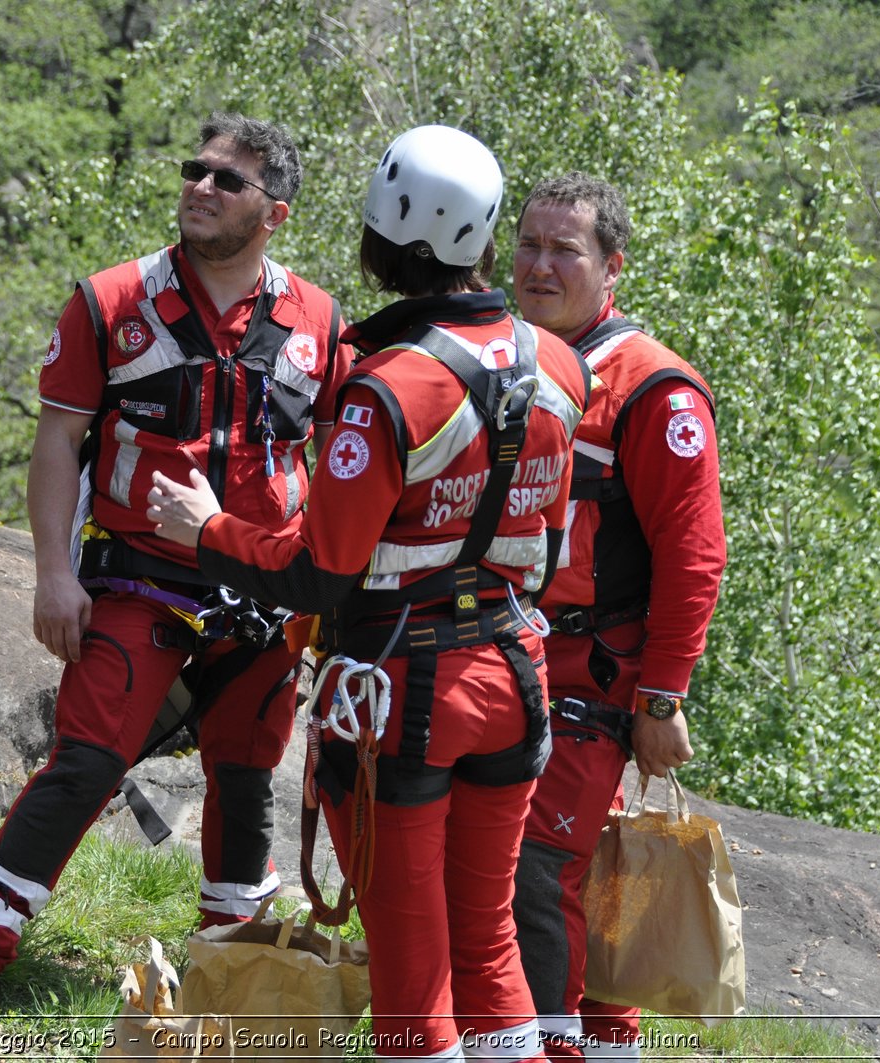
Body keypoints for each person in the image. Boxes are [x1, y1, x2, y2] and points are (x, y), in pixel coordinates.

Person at [148, 125, 590, 1063]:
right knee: (487, 933)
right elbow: (546, 545)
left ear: (390, 230)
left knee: (409, 959)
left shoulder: (389, 389)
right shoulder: (559, 366)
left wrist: (206, 530)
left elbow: (320, 571)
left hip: (405, 693)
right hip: (515, 673)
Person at [0, 112, 354, 1018]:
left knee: (245, 773)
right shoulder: (109, 301)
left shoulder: (318, 320)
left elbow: (347, 459)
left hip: (265, 593)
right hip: (137, 577)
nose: (200, 186)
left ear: (274, 212)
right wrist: (52, 575)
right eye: (195, 169)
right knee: (88, 755)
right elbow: (56, 443)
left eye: (226, 180)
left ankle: (231, 967)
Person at [509, 173, 726, 1060]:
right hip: (500, 654)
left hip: (592, 676)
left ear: (612, 269)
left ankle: (548, 1047)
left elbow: (694, 556)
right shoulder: (503, 354)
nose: (541, 264)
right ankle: (604, 1043)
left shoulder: (654, 389)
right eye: (529, 244)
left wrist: (663, 698)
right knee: (557, 879)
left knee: (538, 874)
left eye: (566, 250)